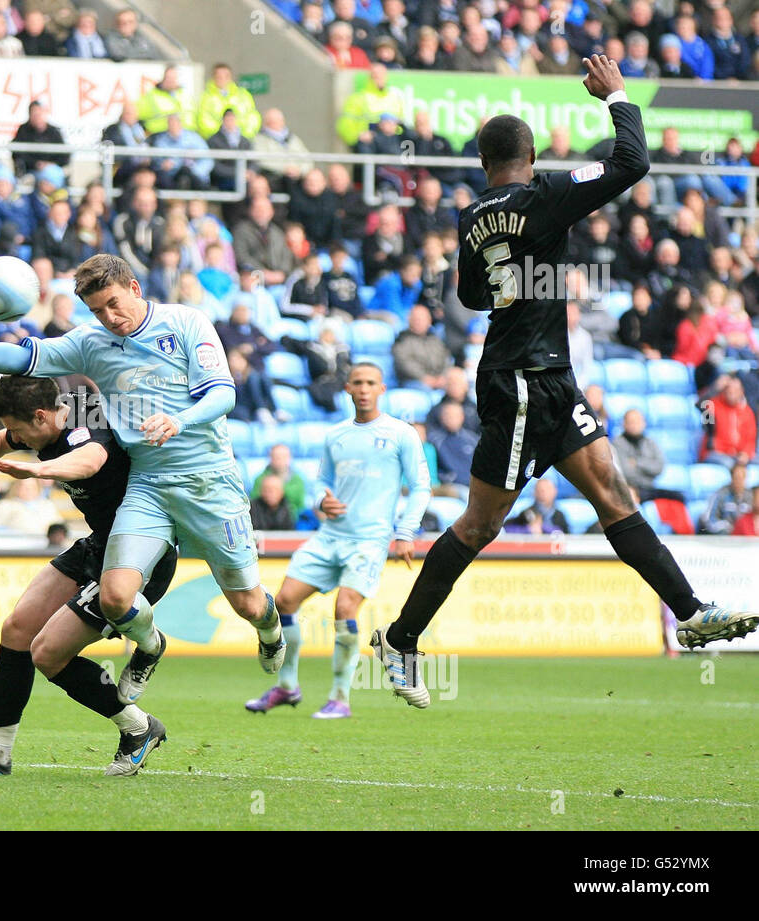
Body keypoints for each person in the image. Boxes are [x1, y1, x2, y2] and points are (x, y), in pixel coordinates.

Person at [376, 57, 757, 712]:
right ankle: (401, 638)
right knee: (479, 524)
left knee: (612, 488)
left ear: (484, 161)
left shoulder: (471, 218)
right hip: (526, 379)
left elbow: (470, 296)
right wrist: (616, 97)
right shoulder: (545, 194)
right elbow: (631, 164)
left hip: (537, 370)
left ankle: (690, 611)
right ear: (528, 155)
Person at [0, 253, 289, 683]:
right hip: (148, 485)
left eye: (114, 303)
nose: (109, 317)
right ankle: (150, 645)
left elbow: (223, 394)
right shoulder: (90, 341)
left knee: (248, 604)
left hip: (208, 481)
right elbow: (19, 360)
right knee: (115, 597)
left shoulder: (186, 323)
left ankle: (270, 631)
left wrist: (180, 419)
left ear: (135, 288)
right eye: (97, 310)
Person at [0, 376, 176, 776]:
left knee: (46, 653)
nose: (14, 437)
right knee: (17, 630)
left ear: (42, 416)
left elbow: (91, 460)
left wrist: (37, 472)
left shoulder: (89, 422)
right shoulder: (45, 421)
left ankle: (138, 725)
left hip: (137, 557)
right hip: (99, 543)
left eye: (19, 429)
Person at [247, 361, 430, 718]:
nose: (363, 389)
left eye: (371, 382)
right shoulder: (336, 435)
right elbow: (320, 483)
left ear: (382, 389)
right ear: (347, 388)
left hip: (369, 539)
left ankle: (340, 698)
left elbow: (421, 486)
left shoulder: (400, 433)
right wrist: (321, 501)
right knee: (283, 602)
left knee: (345, 609)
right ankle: (287, 687)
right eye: (357, 382)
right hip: (329, 536)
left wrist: (406, 531)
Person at [699, 462, 752, 535]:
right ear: (731, 477)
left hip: (745, 535)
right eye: (736, 478)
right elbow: (708, 519)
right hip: (724, 537)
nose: (739, 481)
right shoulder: (721, 494)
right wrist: (725, 526)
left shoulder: (751, 496)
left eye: (742, 478)